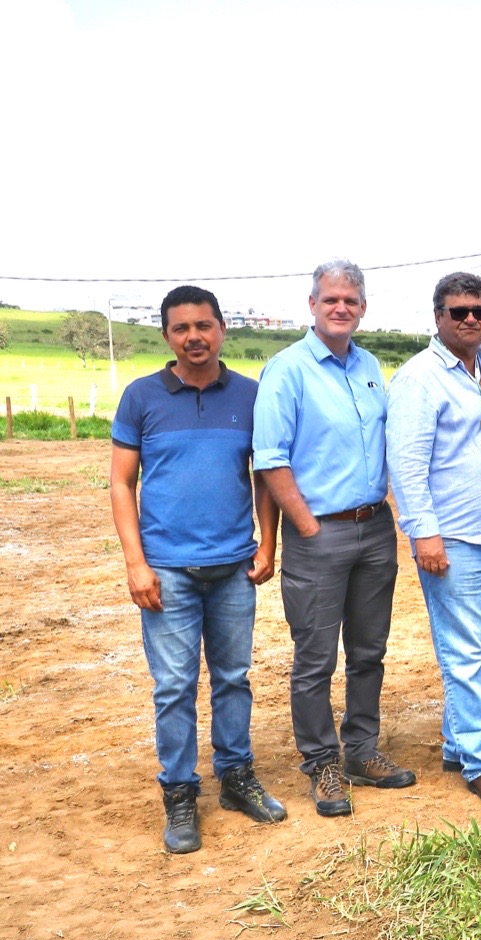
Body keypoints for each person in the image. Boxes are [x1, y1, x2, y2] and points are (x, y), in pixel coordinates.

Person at [109, 285, 286, 853]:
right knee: (174, 687)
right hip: (167, 571)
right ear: (166, 335)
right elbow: (120, 483)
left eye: (204, 326)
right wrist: (136, 564)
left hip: (235, 566)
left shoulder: (251, 396)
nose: (194, 337)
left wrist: (267, 544)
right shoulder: (140, 398)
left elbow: (265, 474)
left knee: (234, 678)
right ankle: (180, 794)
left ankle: (235, 776)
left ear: (221, 329)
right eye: (182, 328)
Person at [253, 260, 413, 819]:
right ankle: (322, 762)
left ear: (363, 308)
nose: (341, 307)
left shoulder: (369, 366)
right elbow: (270, 458)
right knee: (315, 658)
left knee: (369, 651)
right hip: (318, 533)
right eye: (330, 300)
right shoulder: (288, 370)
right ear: (313, 305)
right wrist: (305, 525)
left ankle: (362, 750)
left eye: (351, 300)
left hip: (374, 528)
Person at [387, 272, 481, 806]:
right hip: (455, 539)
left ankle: (457, 743)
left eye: (479, 310)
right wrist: (424, 535)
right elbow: (406, 465)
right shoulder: (418, 379)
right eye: (459, 312)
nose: (471, 319)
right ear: (438, 317)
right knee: (465, 652)